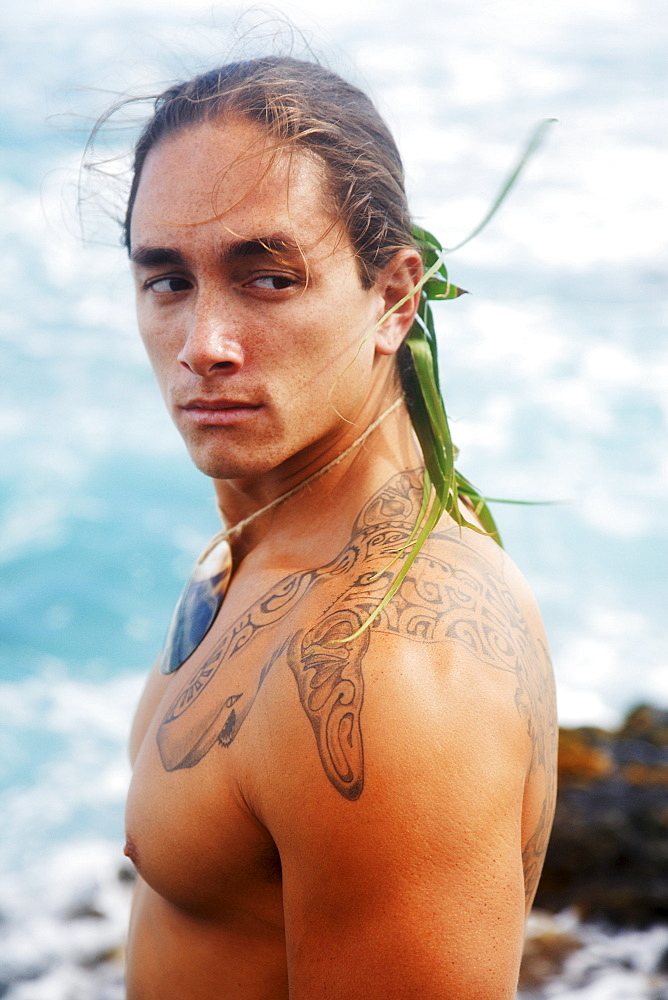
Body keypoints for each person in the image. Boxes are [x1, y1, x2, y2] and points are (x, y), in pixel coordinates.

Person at [120, 55, 557, 999]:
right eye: (166, 282)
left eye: (269, 277)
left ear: (395, 298)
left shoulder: (394, 671)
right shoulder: (270, 534)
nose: (204, 345)